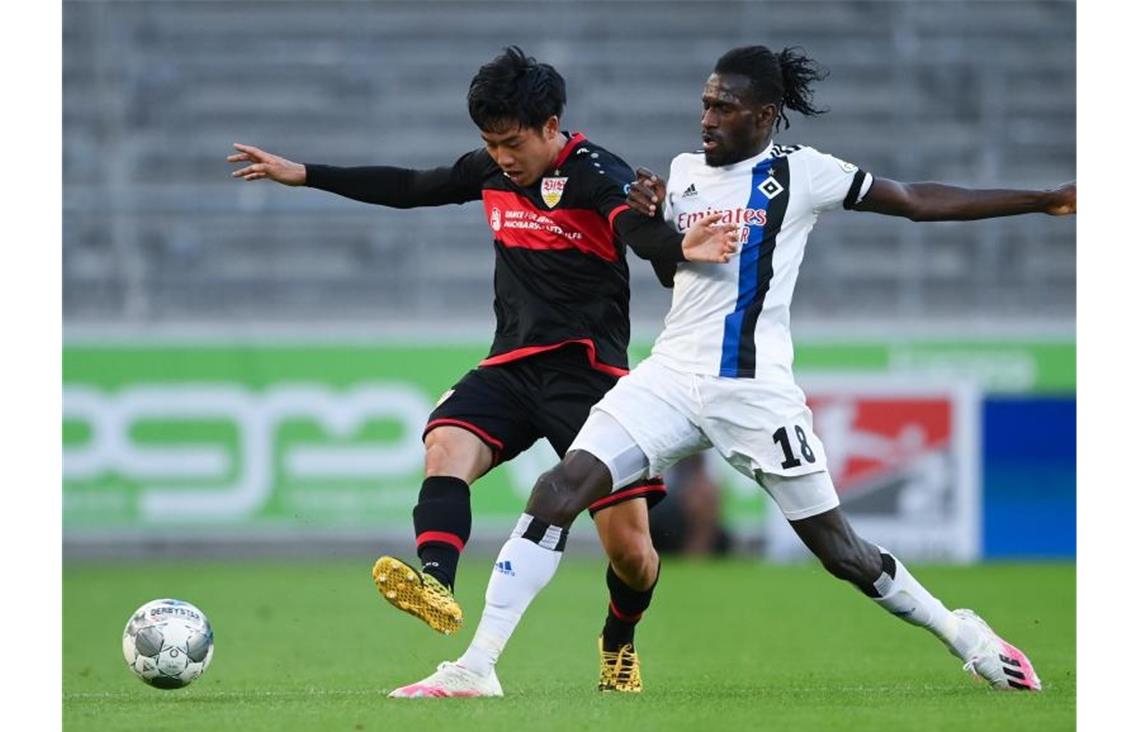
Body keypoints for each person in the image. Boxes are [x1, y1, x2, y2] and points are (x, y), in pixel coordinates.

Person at [390, 44, 1075, 697]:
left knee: (842, 554)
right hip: (669, 379)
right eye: (706, 103)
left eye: (725, 107)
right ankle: (476, 666)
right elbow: (667, 268)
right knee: (557, 491)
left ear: (766, 115)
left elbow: (916, 200)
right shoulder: (685, 169)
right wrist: (649, 219)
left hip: (753, 393)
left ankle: (964, 635)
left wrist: (1041, 198)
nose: (707, 117)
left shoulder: (804, 172)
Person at [227, 46, 739, 695]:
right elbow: (413, 187)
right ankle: (436, 585)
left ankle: (617, 642)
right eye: (489, 142)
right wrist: (304, 173)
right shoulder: (493, 172)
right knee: (444, 442)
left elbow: (632, 230)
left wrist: (677, 244)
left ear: (552, 126)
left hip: (589, 375)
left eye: (511, 141)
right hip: (511, 366)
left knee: (633, 556)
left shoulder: (592, 171)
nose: (500, 155)